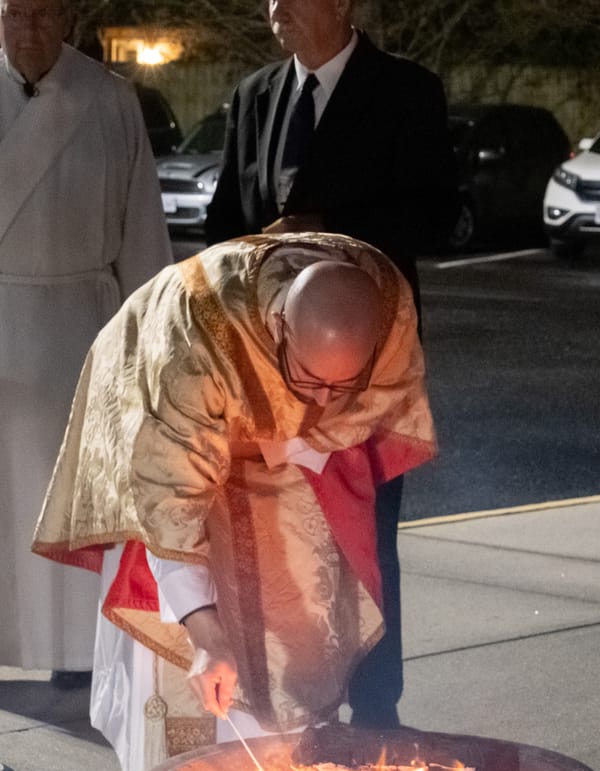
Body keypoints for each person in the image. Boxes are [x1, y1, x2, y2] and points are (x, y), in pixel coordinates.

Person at [32, 233, 436, 771]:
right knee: (182, 603)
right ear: (279, 325)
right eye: (308, 379)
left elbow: (369, 405)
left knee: (302, 574)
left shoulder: (388, 305)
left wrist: (290, 434)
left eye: (338, 387)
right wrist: (207, 636)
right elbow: (170, 501)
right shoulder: (195, 338)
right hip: (162, 408)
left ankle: (293, 765)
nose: (320, 399)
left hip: (295, 452)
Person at [0, 0, 169, 696]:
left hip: (80, 329)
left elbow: (142, 226)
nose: (29, 26)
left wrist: (148, 347)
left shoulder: (109, 101)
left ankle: (75, 645)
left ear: (69, 18)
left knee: (70, 496)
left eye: (45, 11)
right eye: (15, 11)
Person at [203, 0, 454, 732]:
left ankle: (376, 707)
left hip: (367, 360)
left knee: (366, 532)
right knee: (283, 534)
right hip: (268, 363)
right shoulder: (254, 96)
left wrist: (327, 235)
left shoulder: (406, 92)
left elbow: (435, 215)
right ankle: (297, 702)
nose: (273, 8)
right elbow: (225, 221)